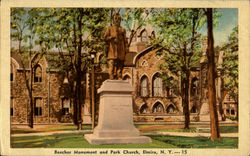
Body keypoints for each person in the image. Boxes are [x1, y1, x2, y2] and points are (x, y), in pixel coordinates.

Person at [104, 13, 128, 79]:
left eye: (119, 19)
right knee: (111, 63)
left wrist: (126, 49)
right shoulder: (109, 28)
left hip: (121, 49)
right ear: (113, 20)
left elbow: (125, 40)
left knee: (120, 63)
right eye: (115, 19)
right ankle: (111, 76)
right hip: (112, 49)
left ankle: (119, 75)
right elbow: (105, 38)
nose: (117, 20)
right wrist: (110, 37)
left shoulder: (123, 29)